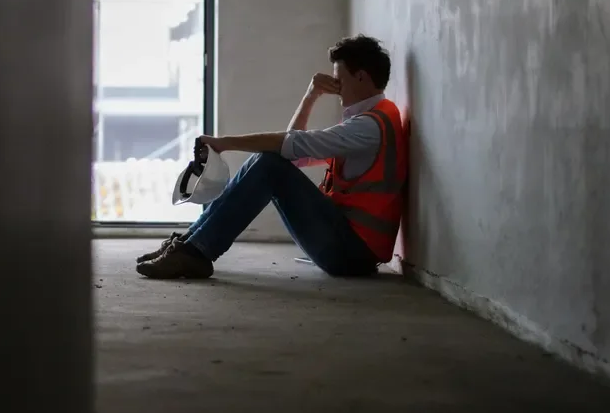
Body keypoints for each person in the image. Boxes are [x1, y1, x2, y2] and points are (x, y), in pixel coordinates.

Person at [136, 34, 407, 279]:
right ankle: (189, 244)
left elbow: (290, 145)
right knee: (271, 161)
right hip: (349, 244)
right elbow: (294, 152)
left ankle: (195, 252)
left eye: (340, 79)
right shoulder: (373, 118)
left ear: (361, 77)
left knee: (269, 164)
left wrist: (224, 143)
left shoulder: (369, 127)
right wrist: (311, 95)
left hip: (351, 253)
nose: (336, 87)